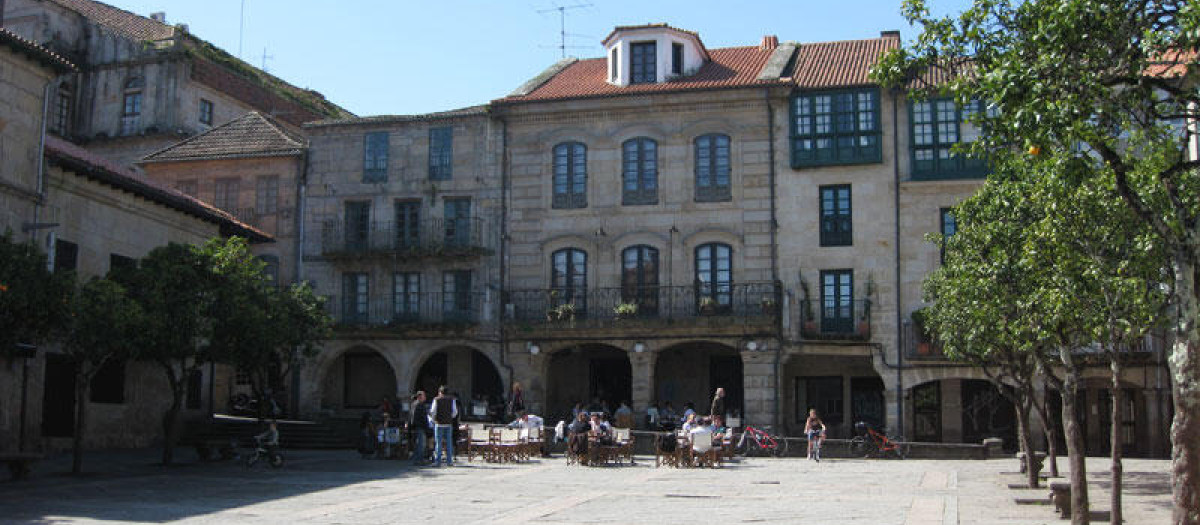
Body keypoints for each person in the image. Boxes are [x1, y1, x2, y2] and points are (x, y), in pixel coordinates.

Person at [428, 386, 457, 467]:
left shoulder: (436, 399)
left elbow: (433, 411)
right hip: (448, 423)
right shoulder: (452, 399)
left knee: (438, 443)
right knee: (449, 443)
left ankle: (438, 462)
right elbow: (455, 412)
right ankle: (449, 461)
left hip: (439, 423)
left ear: (440, 392)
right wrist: (450, 417)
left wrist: (434, 419)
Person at [409, 391, 429, 464]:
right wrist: (426, 425)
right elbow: (423, 417)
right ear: (420, 397)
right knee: (421, 444)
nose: (425, 397)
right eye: (424, 396)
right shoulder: (420, 404)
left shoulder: (414, 404)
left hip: (416, 426)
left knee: (418, 443)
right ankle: (420, 459)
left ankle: (416, 459)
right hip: (420, 426)